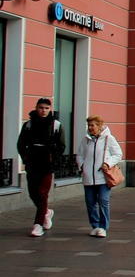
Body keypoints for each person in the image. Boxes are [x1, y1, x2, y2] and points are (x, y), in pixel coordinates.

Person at [17, 98, 66, 237]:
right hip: (32, 162)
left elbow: (61, 146)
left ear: (50, 109)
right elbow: (21, 144)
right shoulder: (28, 125)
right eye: (41, 107)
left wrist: (53, 159)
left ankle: (38, 225)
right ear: (36, 108)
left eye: (46, 108)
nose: (43, 111)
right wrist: (25, 158)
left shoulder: (56, 125)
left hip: (47, 164)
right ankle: (46, 212)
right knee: (33, 193)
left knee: (43, 193)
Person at [76, 116, 123, 237]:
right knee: (90, 202)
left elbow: (118, 154)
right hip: (88, 178)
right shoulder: (85, 140)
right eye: (89, 125)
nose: (90, 128)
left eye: (93, 125)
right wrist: (82, 166)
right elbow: (80, 155)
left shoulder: (108, 139)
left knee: (103, 201)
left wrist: (108, 163)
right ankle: (95, 226)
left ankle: (103, 227)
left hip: (103, 177)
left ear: (99, 126)